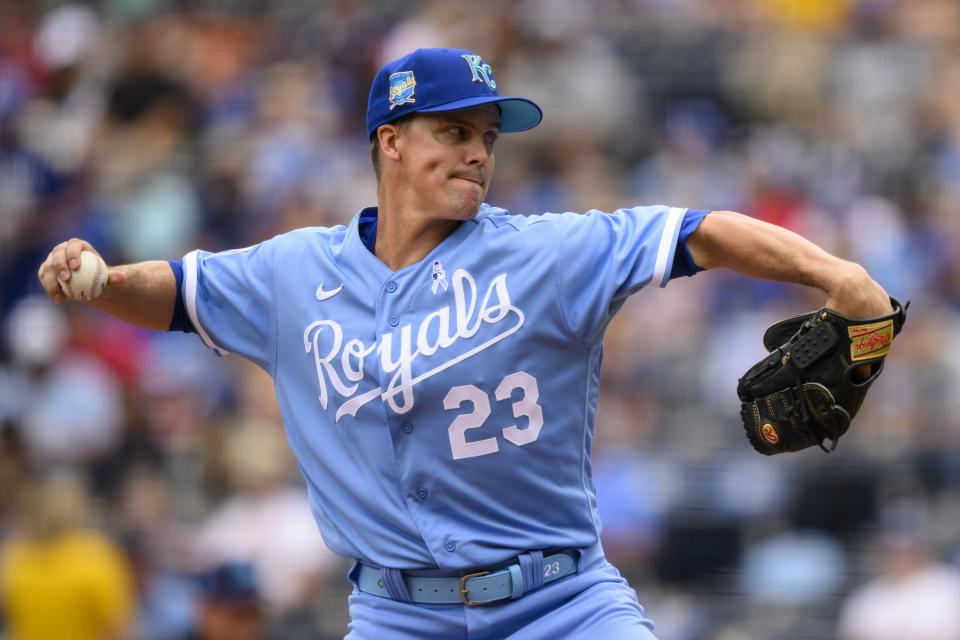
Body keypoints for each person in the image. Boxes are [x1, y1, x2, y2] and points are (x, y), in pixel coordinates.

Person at [37, 48, 894, 639]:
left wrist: (840, 279)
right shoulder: (292, 274)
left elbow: (701, 231)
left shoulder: (544, 253)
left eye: (487, 136)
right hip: (398, 613)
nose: (479, 153)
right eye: (454, 132)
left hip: (561, 601)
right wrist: (109, 282)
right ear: (392, 141)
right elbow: (183, 292)